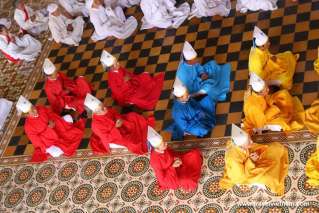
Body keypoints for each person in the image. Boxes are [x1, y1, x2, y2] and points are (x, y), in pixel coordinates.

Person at [220, 124, 289, 195]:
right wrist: (251, 161)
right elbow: (240, 177)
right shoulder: (234, 160)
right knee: (270, 177)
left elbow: (249, 146)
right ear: (242, 146)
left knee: (275, 148)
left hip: (249, 157)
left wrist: (252, 154)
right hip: (245, 172)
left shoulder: (240, 144)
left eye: (250, 139)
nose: (252, 142)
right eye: (249, 141)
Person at [16, 96, 85, 162]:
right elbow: (36, 141)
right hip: (49, 141)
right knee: (56, 153)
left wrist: (52, 121)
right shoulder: (28, 126)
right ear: (26, 115)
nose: (35, 110)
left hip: (57, 128)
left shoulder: (40, 108)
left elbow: (51, 114)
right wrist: (48, 130)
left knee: (68, 117)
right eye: (31, 111)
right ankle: (59, 145)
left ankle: (64, 137)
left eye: (33, 107)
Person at [84, 94, 154, 155]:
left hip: (120, 124)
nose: (105, 108)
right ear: (96, 112)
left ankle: (144, 132)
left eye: (104, 106)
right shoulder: (96, 126)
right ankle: (146, 144)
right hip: (115, 136)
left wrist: (119, 119)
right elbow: (107, 138)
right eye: (102, 109)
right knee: (130, 142)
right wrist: (116, 127)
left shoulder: (104, 109)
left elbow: (115, 113)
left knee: (133, 116)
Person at [100, 50, 164, 110]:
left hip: (132, 83)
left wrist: (129, 78)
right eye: (116, 64)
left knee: (145, 78)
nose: (118, 64)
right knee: (140, 98)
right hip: (126, 94)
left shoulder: (118, 68)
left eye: (117, 61)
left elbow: (127, 73)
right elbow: (118, 92)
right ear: (111, 68)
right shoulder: (111, 79)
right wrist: (125, 82)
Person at [149, 126, 203, 191]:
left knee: (194, 154)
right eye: (164, 144)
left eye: (164, 142)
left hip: (175, 164)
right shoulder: (155, 162)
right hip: (172, 175)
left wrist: (176, 159)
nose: (166, 144)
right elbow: (163, 179)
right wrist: (172, 166)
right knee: (188, 180)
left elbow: (171, 154)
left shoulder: (162, 148)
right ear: (157, 148)